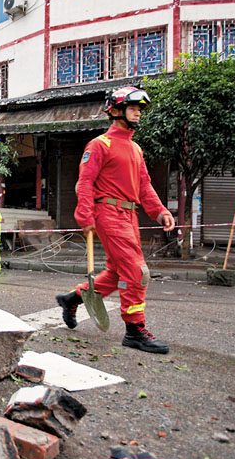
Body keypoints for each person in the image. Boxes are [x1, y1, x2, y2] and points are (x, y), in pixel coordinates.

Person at [55, 86, 175, 354]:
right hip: (108, 214)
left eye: (139, 109)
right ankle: (134, 331)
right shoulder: (100, 144)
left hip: (129, 215)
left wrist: (161, 212)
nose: (138, 114)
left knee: (117, 272)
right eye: (133, 108)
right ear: (117, 111)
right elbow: (85, 182)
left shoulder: (135, 149)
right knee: (137, 272)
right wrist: (84, 215)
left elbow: (145, 186)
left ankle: (72, 299)